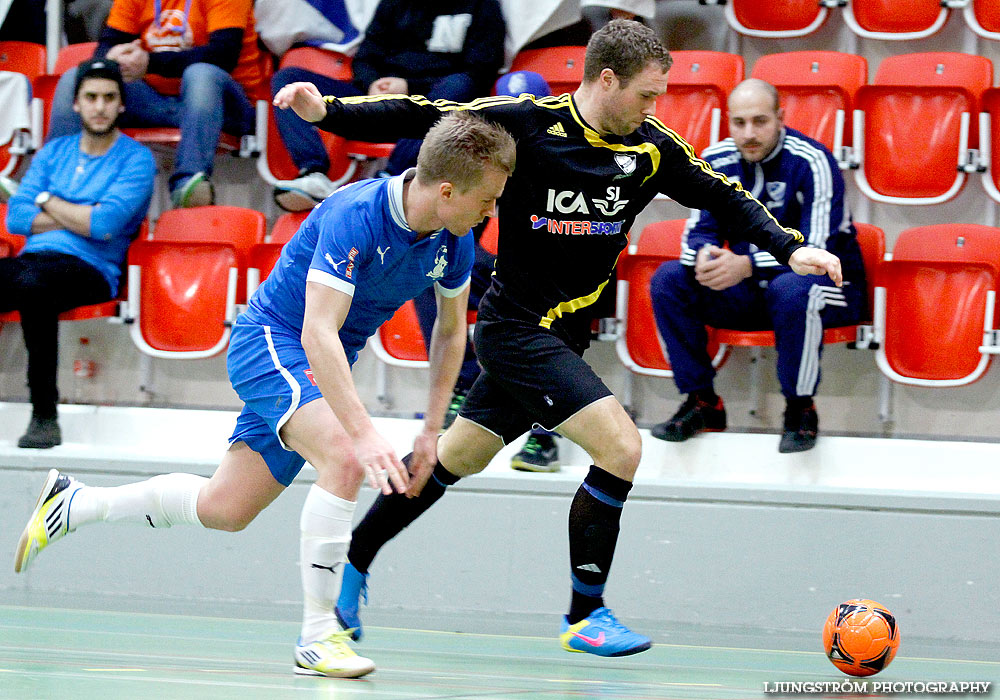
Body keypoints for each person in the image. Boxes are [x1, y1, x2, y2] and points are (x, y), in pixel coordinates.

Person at [273, 19, 843, 657]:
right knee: (622, 448)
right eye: (647, 95)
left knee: (453, 458)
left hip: (566, 337)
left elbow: (724, 196)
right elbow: (425, 114)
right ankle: (586, 613)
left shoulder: (651, 149)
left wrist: (791, 250)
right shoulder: (526, 123)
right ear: (607, 80)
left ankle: (353, 563)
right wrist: (329, 110)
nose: (656, 108)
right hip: (516, 330)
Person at [13, 113, 516, 678]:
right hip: (272, 342)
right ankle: (319, 636)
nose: (491, 212)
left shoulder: (456, 239)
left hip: (320, 363)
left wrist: (431, 430)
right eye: (489, 199)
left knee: (224, 509)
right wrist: (363, 432)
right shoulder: (358, 215)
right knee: (347, 457)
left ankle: (76, 504)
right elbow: (316, 332)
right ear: (447, 190)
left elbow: (450, 332)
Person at [648, 79, 865, 454]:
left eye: (760, 121)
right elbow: (698, 232)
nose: (749, 133)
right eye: (739, 122)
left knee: (795, 289)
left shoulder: (812, 161)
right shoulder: (714, 160)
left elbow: (818, 250)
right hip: (752, 290)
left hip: (829, 285)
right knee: (669, 280)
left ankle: (800, 408)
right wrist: (704, 257)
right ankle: (703, 402)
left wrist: (747, 265)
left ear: (781, 118)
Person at [413, 69, 563, 472]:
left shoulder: (560, 157)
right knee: (432, 276)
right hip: (498, 264)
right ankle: (461, 387)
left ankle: (546, 431)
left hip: (555, 273)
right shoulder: (482, 160)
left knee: (541, 312)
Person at [3, 58, 155, 449]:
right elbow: (17, 218)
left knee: (33, 286)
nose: (100, 106)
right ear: (76, 104)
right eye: (91, 97)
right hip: (32, 262)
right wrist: (80, 214)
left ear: (121, 104)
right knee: (28, 278)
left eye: (109, 97)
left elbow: (104, 226)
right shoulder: (54, 152)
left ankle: (44, 415)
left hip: (91, 269)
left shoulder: (137, 158)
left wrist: (45, 198)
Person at [271, 0, 505, 212]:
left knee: (460, 87)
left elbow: (481, 71)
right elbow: (365, 57)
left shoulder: (482, 6)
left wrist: (408, 86)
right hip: (377, 98)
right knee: (290, 80)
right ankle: (313, 173)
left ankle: (393, 181)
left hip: (431, 100)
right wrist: (372, 83)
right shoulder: (393, 3)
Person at [46, 0, 265, 208]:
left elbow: (223, 55)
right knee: (76, 78)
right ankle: (54, 179)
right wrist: (112, 57)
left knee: (201, 75)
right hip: (157, 102)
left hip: (224, 106)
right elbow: (106, 47)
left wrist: (149, 63)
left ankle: (190, 183)